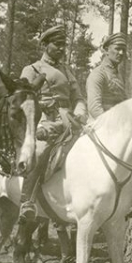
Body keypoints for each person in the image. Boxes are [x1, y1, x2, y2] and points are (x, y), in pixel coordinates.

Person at [19, 25, 87, 222]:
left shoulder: (66, 70)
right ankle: (27, 201)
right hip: (45, 121)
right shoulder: (32, 69)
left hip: (71, 120)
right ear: (45, 45)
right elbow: (23, 100)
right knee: (39, 152)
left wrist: (80, 111)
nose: (61, 49)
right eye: (56, 45)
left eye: (63, 45)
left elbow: (79, 97)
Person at [86, 32, 128, 121]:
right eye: (117, 49)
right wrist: (113, 124)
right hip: (100, 126)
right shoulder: (98, 74)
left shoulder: (118, 75)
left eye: (123, 50)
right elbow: (95, 109)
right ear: (106, 50)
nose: (121, 53)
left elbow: (124, 103)